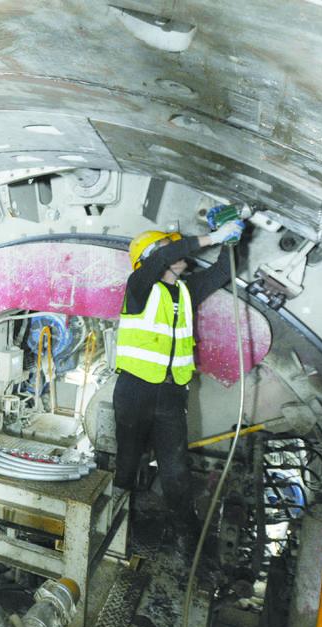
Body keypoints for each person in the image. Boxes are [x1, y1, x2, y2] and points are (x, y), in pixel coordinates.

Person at [113, 217, 248, 556]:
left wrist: (234, 238)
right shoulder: (139, 286)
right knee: (127, 464)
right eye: (167, 245)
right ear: (151, 258)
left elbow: (222, 273)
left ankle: (185, 538)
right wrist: (210, 236)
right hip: (135, 390)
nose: (175, 248)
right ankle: (115, 532)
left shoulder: (185, 292)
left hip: (171, 394)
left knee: (176, 469)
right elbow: (161, 258)